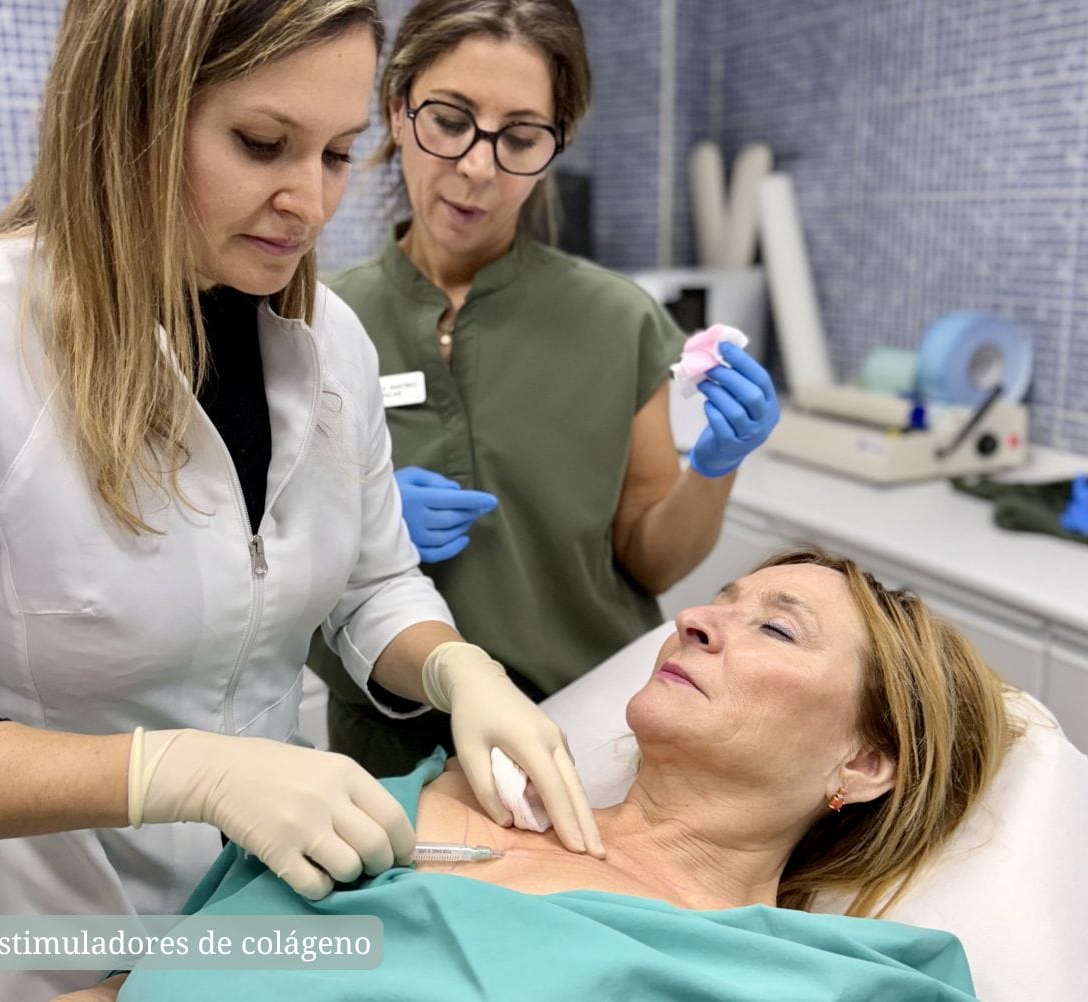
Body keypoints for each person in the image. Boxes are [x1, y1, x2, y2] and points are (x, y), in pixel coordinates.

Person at [0, 3, 606, 1000]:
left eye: (339, 154)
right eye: (263, 144)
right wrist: (183, 774)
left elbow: (371, 585)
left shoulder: (331, 347)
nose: (308, 203)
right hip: (22, 944)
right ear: (131, 115)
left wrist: (457, 669)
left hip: (248, 926)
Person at [61, 546, 1021, 1001]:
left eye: (774, 627)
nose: (692, 619)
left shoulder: (810, 983)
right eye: (716, 599)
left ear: (862, 762)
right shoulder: (394, 804)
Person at [309, 0, 783, 778]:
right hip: (385, 750)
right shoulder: (314, 322)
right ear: (398, 112)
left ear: (554, 145)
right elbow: (262, 570)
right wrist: (362, 522)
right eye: (450, 120)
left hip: (586, 731)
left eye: (520, 138)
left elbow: (651, 562)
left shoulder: (616, 321)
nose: (478, 168)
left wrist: (716, 467)